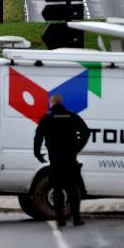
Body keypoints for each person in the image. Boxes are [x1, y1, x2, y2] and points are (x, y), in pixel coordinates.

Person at [33, 94, 90, 226]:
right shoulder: (72, 116)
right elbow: (86, 132)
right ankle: (76, 218)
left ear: (51, 103)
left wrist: (38, 154)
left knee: (57, 189)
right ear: (62, 102)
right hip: (70, 158)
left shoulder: (47, 118)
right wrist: (77, 147)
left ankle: (60, 219)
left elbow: (38, 137)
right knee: (73, 189)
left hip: (55, 159)